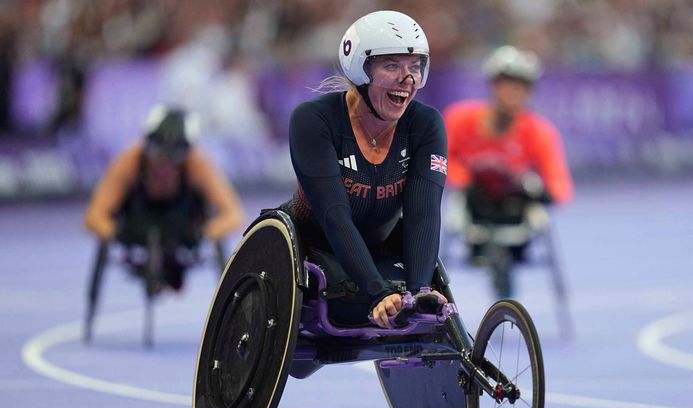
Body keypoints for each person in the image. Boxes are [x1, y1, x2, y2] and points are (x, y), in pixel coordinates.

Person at [278, 10, 448, 329]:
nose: (408, 79)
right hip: (312, 247)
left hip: (380, 246)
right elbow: (334, 215)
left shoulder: (426, 124)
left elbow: (424, 214)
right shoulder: (313, 120)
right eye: (392, 65)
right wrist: (376, 292)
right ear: (360, 69)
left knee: (436, 305)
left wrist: (419, 292)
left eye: (416, 67)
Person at [443, 45, 574, 294]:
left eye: (522, 86)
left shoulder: (540, 132)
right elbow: (440, 160)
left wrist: (539, 190)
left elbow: (560, 185)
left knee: (536, 212)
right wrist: (467, 180)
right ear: (493, 86)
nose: (514, 92)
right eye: (508, 84)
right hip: (473, 209)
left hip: (516, 214)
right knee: (453, 208)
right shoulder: (460, 119)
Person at [83, 105, 245, 291]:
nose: (164, 165)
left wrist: (204, 233)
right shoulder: (129, 160)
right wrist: (118, 233)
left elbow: (234, 215)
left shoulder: (197, 164)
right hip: (137, 223)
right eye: (158, 154)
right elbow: (93, 217)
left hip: (183, 225)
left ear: (186, 152)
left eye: (173, 158)